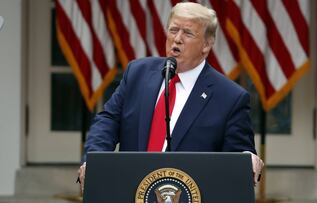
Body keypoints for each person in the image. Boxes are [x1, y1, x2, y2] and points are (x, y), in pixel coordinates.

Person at [78, 2, 263, 191]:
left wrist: (246, 157)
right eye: (173, 30)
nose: (177, 39)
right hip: (131, 190)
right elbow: (109, 120)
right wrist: (95, 159)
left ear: (207, 44)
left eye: (188, 33)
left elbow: (238, 157)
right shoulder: (137, 73)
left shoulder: (230, 97)